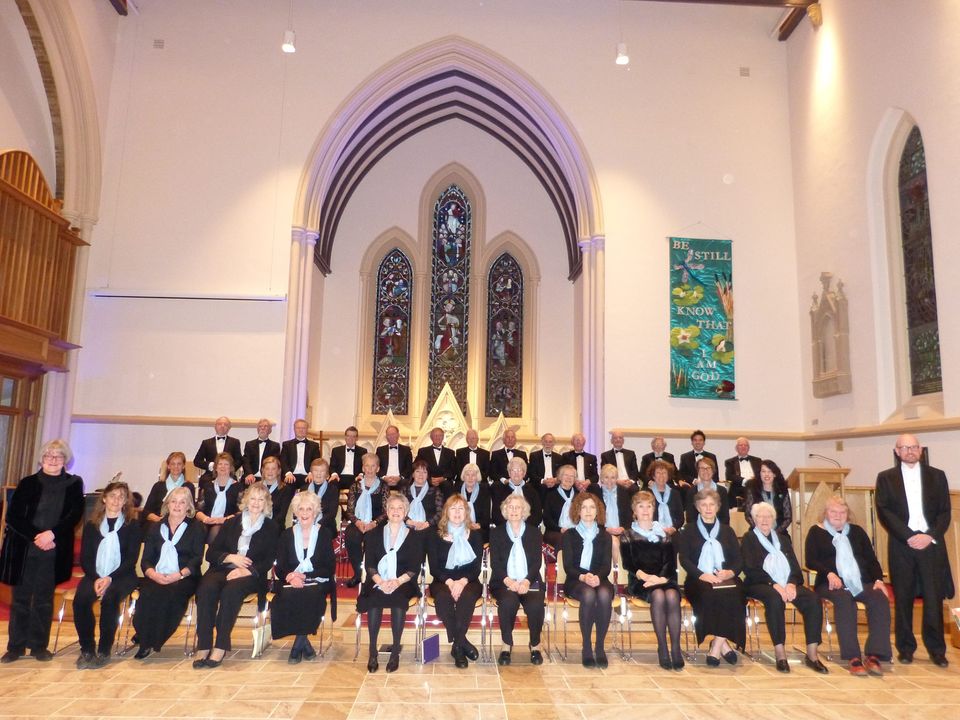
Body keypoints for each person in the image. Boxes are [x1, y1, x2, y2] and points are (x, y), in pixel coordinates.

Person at [0, 440, 85, 663]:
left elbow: (74, 515)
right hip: (25, 549)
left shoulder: (74, 483)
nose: (53, 459)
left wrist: (52, 534)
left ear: (65, 460)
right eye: (49, 455)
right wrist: (37, 536)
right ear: (41, 458)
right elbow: (14, 516)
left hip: (54, 549)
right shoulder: (27, 483)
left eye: (58, 456)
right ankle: (15, 647)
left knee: (44, 600)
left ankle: (39, 646)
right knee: (20, 598)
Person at [875, 434, 953, 668]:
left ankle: (937, 650)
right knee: (904, 597)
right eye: (905, 447)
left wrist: (929, 535)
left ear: (920, 450)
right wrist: (909, 536)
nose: (910, 451)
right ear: (897, 451)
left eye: (914, 447)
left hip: (931, 544)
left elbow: (945, 512)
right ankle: (906, 648)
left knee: (933, 598)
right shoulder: (886, 478)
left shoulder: (937, 476)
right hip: (902, 545)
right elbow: (884, 510)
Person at [193, 482, 280, 668]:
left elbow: (269, 558)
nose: (256, 503)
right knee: (206, 588)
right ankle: (204, 644)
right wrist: (230, 557)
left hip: (251, 575)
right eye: (253, 498)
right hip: (223, 568)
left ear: (266, 503)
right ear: (246, 500)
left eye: (261, 499)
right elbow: (212, 553)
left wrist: (245, 569)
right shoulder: (232, 522)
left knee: (231, 592)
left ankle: (221, 646)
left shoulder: (271, 527)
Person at [805, 495, 891, 676]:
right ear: (825, 513)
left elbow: (871, 560)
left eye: (842, 512)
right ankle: (853, 657)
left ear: (847, 514)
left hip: (860, 581)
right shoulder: (816, 532)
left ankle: (874, 654)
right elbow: (810, 560)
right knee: (845, 601)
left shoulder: (857, 532)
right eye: (833, 511)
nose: (838, 515)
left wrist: (878, 581)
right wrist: (829, 573)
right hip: (830, 584)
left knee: (879, 598)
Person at [741, 501, 827, 674]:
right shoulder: (749, 539)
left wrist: (791, 583)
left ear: (773, 519)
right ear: (753, 519)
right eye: (760, 516)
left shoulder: (782, 539)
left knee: (812, 599)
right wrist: (774, 584)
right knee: (774, 599)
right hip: (759, 583)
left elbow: (795, 568)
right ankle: (780, 653)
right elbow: (750, 569)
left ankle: (812, 654)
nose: (764, 519)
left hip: (786, 583)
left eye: (768, 516)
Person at [73, 480, 141, 669]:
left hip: (122, 575)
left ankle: (103, 650)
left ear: (126, 501)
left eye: (121, 496)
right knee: (81, 600)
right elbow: (85, 558)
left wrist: (109, 578)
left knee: (110, 599)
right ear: (104, 498)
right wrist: (96, 578)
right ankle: (87, 649)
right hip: (95, 574)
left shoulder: (132, 526)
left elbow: (130, 559)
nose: (116, 500)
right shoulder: (91, 526)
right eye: (112, 495)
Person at [132, 486, 204, 658]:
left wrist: (177, 575)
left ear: (189, 506)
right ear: (167, 504)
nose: (177, 505)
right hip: (156, 574)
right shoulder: (156, 527)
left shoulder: (196, 527)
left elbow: (196, 559)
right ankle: (144, 634)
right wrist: (153, 574)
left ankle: (150, 641)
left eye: (182, 502)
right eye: (174, 501)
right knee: (148, 593)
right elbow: (146, 559)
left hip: (185, 577)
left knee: (170, 595)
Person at [676, 488, 745, 666]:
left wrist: (729, 573)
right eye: (704, 504)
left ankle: (717, 645)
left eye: (711, 504)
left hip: (725, 577)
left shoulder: (727, 531)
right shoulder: (688, 530)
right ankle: (723, 645)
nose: (708, 508)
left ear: (718, 507)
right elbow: (684, 559)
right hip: (698, 579)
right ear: (698, 507)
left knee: (736, 594)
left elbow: (738, 560)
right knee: (709, 594)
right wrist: (702, 575)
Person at [358, 493, 423, 673]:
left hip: (403, 583)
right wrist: (381, 581)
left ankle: (395, 652)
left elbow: (414, 568)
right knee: (374, 600)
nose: (396, 511)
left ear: (406, 512)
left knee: (398, 601)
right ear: (386, 511)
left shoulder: (415, 537)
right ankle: (372, 651)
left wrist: (396, 582)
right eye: (392, 508)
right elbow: (369, 563)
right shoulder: (373, 534)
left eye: (400, 508)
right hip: (378, 580)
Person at [619, 491, 682, 670]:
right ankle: (663, 647)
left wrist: (659, 578)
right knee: (659, 596)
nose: (645, 510)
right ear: (634, 511)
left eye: (649, 506)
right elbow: (629, 564)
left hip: (664, 577)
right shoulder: (627, 535)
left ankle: (676, 648)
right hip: (640, 580)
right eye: (641, 506)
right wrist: (648, 578)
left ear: (654, 509)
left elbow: (670, 563)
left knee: (671, 595)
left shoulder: (664, 535)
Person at [272, 491, 335, 664]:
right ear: (295, 512)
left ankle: (297, 646)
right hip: (291, 581)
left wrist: (305, 576)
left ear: (315, 513)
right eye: (301, 509)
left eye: (309, 509)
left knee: (310, 595)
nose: (305, 513)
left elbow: (328, 568)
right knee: (284, 597)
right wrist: (291, 577)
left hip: (318, 581)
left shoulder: (324, 534)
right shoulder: (286, 535)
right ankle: (304, 645)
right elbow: (279, 568)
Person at [428, 495, 484, 669]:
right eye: (453, 508)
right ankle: (461, 643)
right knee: (443, 599)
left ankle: (457, 647)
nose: (457, 512)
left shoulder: (475, 536)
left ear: (466, 512)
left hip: (469, 580)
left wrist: (462, 581)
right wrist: (451, 582)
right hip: (442, 580)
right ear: (446, 512)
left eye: (461, 508)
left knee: (467, 599)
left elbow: (476, 568)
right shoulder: (435, 535)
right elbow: (434, 568)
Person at [489, 493, 545, 666]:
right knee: (508, 602)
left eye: (517, 507)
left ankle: (535, 644)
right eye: (510, 507)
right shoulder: (496, 533)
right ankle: (506, 645)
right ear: (505, 510)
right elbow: (496, 563)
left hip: (530, 581)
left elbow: (537, 562)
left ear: (524, 511)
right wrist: (510, 582)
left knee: (535, 604)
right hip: (503, 582)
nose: (513, 510)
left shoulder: (534, 533)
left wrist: (526, 581)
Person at [561, 492, 613, 668]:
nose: (588, 511)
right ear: (578, 511)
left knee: (605, 595)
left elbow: (606, 564)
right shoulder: (569, 535)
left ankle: (600, 646)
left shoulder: (605, 536)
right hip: (576, 579)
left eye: (592, 507)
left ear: (597, 511)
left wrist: (597, 577)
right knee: (589, 595)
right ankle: (586, 647)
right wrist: (584, 576)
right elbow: (568, 566)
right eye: (584, 507)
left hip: (600, 578)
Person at [344, 453, 388, 587]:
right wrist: (357, 522)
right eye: (367, 466)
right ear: (363, 468)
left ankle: (371, 576)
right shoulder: (355, 486)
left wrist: (374, 523)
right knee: (351, 536)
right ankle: (358, 574)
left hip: (377, 523)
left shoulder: (383, 486)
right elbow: (349, 511)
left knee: (372, 540)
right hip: (358, 522)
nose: (369, 469)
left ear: (378, 468)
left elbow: (387, 511)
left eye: (373, 466)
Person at [195, 452, 241, 543]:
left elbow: (241, 511)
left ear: (231, 468)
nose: (222, 467)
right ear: (215, 467)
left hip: (227, 522)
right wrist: (205, 519)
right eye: (220, 464)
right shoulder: (207, 486)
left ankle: (211, 556)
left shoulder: (238, 487)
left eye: (226, 464)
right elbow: (197, 510)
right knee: (197, 531)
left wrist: (224, 519)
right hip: (207, 520)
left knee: (215, 532)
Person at [142, 451, 196, 524]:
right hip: (158, 521)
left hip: (181, 522)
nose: (176, 466)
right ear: (168, 466)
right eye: (173, 464)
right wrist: (157, 519)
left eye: (179, 464)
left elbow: (191, 511)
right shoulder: (158, 486)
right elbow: (146, 511)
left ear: (183, 466)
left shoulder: (189, 486)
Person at [742, 459, 792, 534]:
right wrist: (760, 531)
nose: (766, 474)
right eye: (763, 471)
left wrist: (775, 533)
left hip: (779, 533)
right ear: (759, 474)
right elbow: (748, 515)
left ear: (774, 474)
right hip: (757, 532)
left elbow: (788, 517)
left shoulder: (783, 490)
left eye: (770, 471)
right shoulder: (752, 490)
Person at [490, 457, 542, 528]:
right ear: (509, 473)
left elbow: (537, 515)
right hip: (505, 528)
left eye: (519, 470)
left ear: (524, 473)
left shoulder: (532, 491)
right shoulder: (500, 491)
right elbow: (496, 515)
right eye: (513, 470)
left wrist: (523, 526)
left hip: (528, 528)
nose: (516, 473)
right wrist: (510, 526)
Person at [294, 458, 340, 533]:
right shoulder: (304, 488)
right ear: (311, 473)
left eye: (322, 471)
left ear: (327, 474)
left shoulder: (333, 489)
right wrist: (306, 523)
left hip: (325, 525)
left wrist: (316, 525)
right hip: (304, 524)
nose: (318, 474)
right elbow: (298, 510)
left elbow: (331, 514)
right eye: (315, 471)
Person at [450, 462, 492, 543]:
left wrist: (478, 525)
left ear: (477, 477)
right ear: (463, 476)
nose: (470, 478)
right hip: (458, 524)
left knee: (476, 536)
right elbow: (451, 511)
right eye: (467, 475)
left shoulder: (484, 490)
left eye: (473, 475)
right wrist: (462, 524)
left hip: (477, 527)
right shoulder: (456, 489)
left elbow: (486, 516)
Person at [542, 464, 579, 551]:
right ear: (560, 477)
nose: (569, 478)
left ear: (575, 479)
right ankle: (563, 564)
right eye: (566, 475)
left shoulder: (579, 496)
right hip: (555, 531)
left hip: (576, 529)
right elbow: (547, 519)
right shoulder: (551, 495)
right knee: (564, 539)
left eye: (572, 476)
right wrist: (560, 529)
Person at [683, 457, 730, 526]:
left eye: (708, 468)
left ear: (713, 470)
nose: (705, 471)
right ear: (698, 471)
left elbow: (725, 517)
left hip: (719, 530)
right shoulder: (691, 492)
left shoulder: (722, 491)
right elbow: (690, 518)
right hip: (697, 531)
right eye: (702, 468)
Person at [589, 463, 631, 535]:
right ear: (601, 479)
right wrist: (605, 529)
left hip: (622, 532)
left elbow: (629, 515)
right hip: (602, 532)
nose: (609, 480)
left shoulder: (623, 492)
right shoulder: (596, 494)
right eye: (606, 477)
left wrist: (623, 528)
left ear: (616, 479)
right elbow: (592, 518)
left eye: (613, 477)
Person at [280, 419, 322, 488]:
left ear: (307, 430)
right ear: (294, 429)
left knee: (308, 491)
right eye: (298, 428)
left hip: (307, 475)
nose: (301, 430)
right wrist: (288, 473)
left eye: (303, 428)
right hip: (291, 475)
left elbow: (316, 462)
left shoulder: (314, 446)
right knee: (287, 489)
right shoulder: (286, 445)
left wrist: (311, 473)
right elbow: (283, 461)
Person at [646, 460, 683, 535]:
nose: (661, 476)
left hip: (672, 531)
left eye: (664, 473)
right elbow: (643, 516)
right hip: (652, 532)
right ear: (653, 476)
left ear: (668, 476)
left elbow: (680, 518)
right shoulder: (646, 494)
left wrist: (673, 528)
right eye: (658, 473)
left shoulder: (675, 493)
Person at [404, 459, 443, 531]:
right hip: (406, 526)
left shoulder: (435, 491)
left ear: (428, 475)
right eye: (417, 471)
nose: (421, 475)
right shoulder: (404, 490)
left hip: (429, 527)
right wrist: (409, 521)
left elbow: (440, 513)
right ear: (413, 474)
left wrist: (427, 524)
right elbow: (398, 509)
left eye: (424, 472)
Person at [723, 436, 761, 506]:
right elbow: (729, 476)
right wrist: (746, 481)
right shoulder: (730, 462)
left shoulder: (758, 461)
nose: (743, 447)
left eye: (746, 445)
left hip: (755, 490)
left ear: (749, 448)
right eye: (741, 445)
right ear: (736, 448)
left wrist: (754, 481)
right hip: (738, 491)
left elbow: (760, 475)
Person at [241, 418, 281, 484]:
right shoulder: (249, 444)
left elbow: (275, 463)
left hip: (267, 477)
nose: (262, 428)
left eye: (265, 426)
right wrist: (249, 474)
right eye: (260, 426)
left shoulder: (275, 446)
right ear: (257, 429)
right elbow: (246, 461)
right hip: (251, 476)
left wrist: (266, 476)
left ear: (270, 430)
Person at [261, 456, 295, 530]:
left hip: (275, 528)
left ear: (279, 471)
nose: (270, 472)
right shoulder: (255, 488)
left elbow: (281, 516)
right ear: (262, 470)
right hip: (255, 527)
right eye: (267, 468)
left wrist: (265, 526)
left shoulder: (286, 490)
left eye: (273, 469)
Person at [329, 426, 364, 491]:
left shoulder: (363, 451)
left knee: (360, 485)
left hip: (355, 478)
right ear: (345, 437)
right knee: (332, 484)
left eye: (353, 436)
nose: (351, 438)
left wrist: (361, 475)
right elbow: (332, 466)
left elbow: (365, 466)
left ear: (357, 438)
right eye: (348, 436)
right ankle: (334, 501)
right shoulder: (336, 450)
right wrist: (334, 474)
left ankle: (353, 501)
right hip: (339, 477)